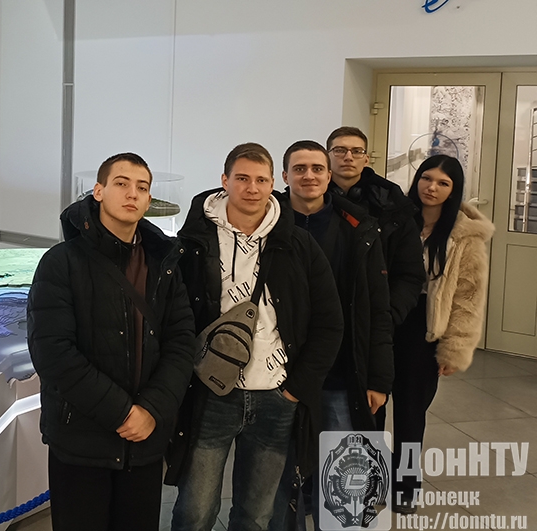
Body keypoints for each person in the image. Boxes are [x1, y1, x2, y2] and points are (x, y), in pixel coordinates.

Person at [167, 143, 343, 531]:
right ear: (224, 180)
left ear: (273, 183)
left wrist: (296, 389)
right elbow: (174, 320)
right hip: (212, 394)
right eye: (242, 178)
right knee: (195, 511)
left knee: (257, 515)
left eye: (261, 180)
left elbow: (330, 322)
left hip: (276, 396)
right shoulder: (193, 243)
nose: (252, 188)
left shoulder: (299, 244)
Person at [27, 152, 197, 531]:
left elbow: (182, 342)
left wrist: (151, 409)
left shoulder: (164, 265)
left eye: (142, 187)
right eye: (121, 183)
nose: (132, 193)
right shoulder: (61, 262)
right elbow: (53, 352)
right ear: (99, 191)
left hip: (144, 442)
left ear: (149, 201)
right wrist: (123, 413)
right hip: (81, 442)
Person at [269, 141, 394, 531]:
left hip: (341, 375)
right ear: (284, 176)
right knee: (278, 479)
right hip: (279, 375)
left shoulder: (357, 228)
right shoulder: (266, 224)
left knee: (344, 481)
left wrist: (379, 378)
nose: (309, 176)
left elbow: (376, 308)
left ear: (329, 176)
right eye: (299, 169)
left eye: (317, 169)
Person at [391, 154, 494, 513]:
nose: (431, 187)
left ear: (453, 190)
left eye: (442, 183)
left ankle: (405, 486)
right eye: (426, 178)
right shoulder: (396, 219)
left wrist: (455, 349)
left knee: (410, 411)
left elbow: (469, 295)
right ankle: (367, 478)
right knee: (370, 406)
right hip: (388, 319)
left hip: (426, 327)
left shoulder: (464, 235)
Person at [326, 127, 426, 430]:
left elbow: (410, 274)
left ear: (366, 158)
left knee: (361, 426)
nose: (348, 157)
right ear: (328, 156)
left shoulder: (392, 205)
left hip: (371, 328)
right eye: (340, 150)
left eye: (356, 151)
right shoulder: (307, 198)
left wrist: (385, 314)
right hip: (320, 326)